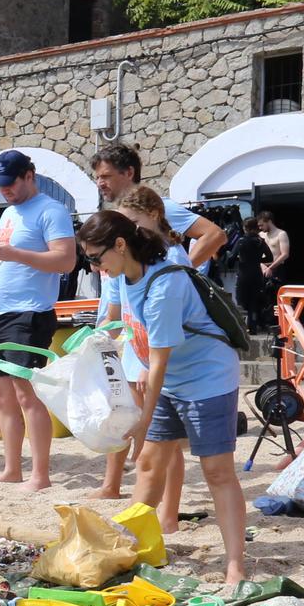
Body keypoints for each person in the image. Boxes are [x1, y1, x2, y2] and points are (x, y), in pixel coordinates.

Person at [78, 211, 246, 588]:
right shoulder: (125, 276)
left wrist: (142, 421)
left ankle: (235, 564)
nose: (93, 267)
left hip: (207, 377)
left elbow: (159, 360)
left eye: (95, 258)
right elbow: (136, 340)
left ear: (120, 245)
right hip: (169, 378)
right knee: (150, 464)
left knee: (217, 471)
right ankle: (135, 547)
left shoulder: (164, 285)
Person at [0, 151, 77, 488]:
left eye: (10, 184)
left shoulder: (52, 210)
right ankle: (12, 469)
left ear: (29, 176)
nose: (4, 191)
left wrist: (12, 254)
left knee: (26, 394)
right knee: (1, 395)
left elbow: (65, 261)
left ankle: (40, 474)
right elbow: (3, 263)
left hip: (29, 312)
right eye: (0, 186)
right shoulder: (7, 213)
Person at [97, 187, 197, 508]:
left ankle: (168, 512)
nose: (128, 229)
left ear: (154, 216)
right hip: (135, 350)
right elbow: (115, 312)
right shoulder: (126, 256)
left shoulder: (171, 258)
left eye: (133, 221)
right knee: (144, 434)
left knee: (162, 442)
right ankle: (148, 505)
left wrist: (145, 362)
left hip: (158, 357)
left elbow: (173, 318)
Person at [92, 142, 227, 268]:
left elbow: (215, 235)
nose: (99, 184)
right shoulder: (116, 215)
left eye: (105, 176)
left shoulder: (159, 207)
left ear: (129, 173)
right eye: (97, 178)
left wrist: (180, 273)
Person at [235, 217, 274, 333]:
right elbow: (270, 257)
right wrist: (257, 260)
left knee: (241, 300)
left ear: (245, 228)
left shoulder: (241, 241)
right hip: (257, 275)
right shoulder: (260, 241)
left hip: (244, 274)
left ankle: (243, 326)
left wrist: (239, 260)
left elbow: (231, 258)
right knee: (254, 301)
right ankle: (253, 328)